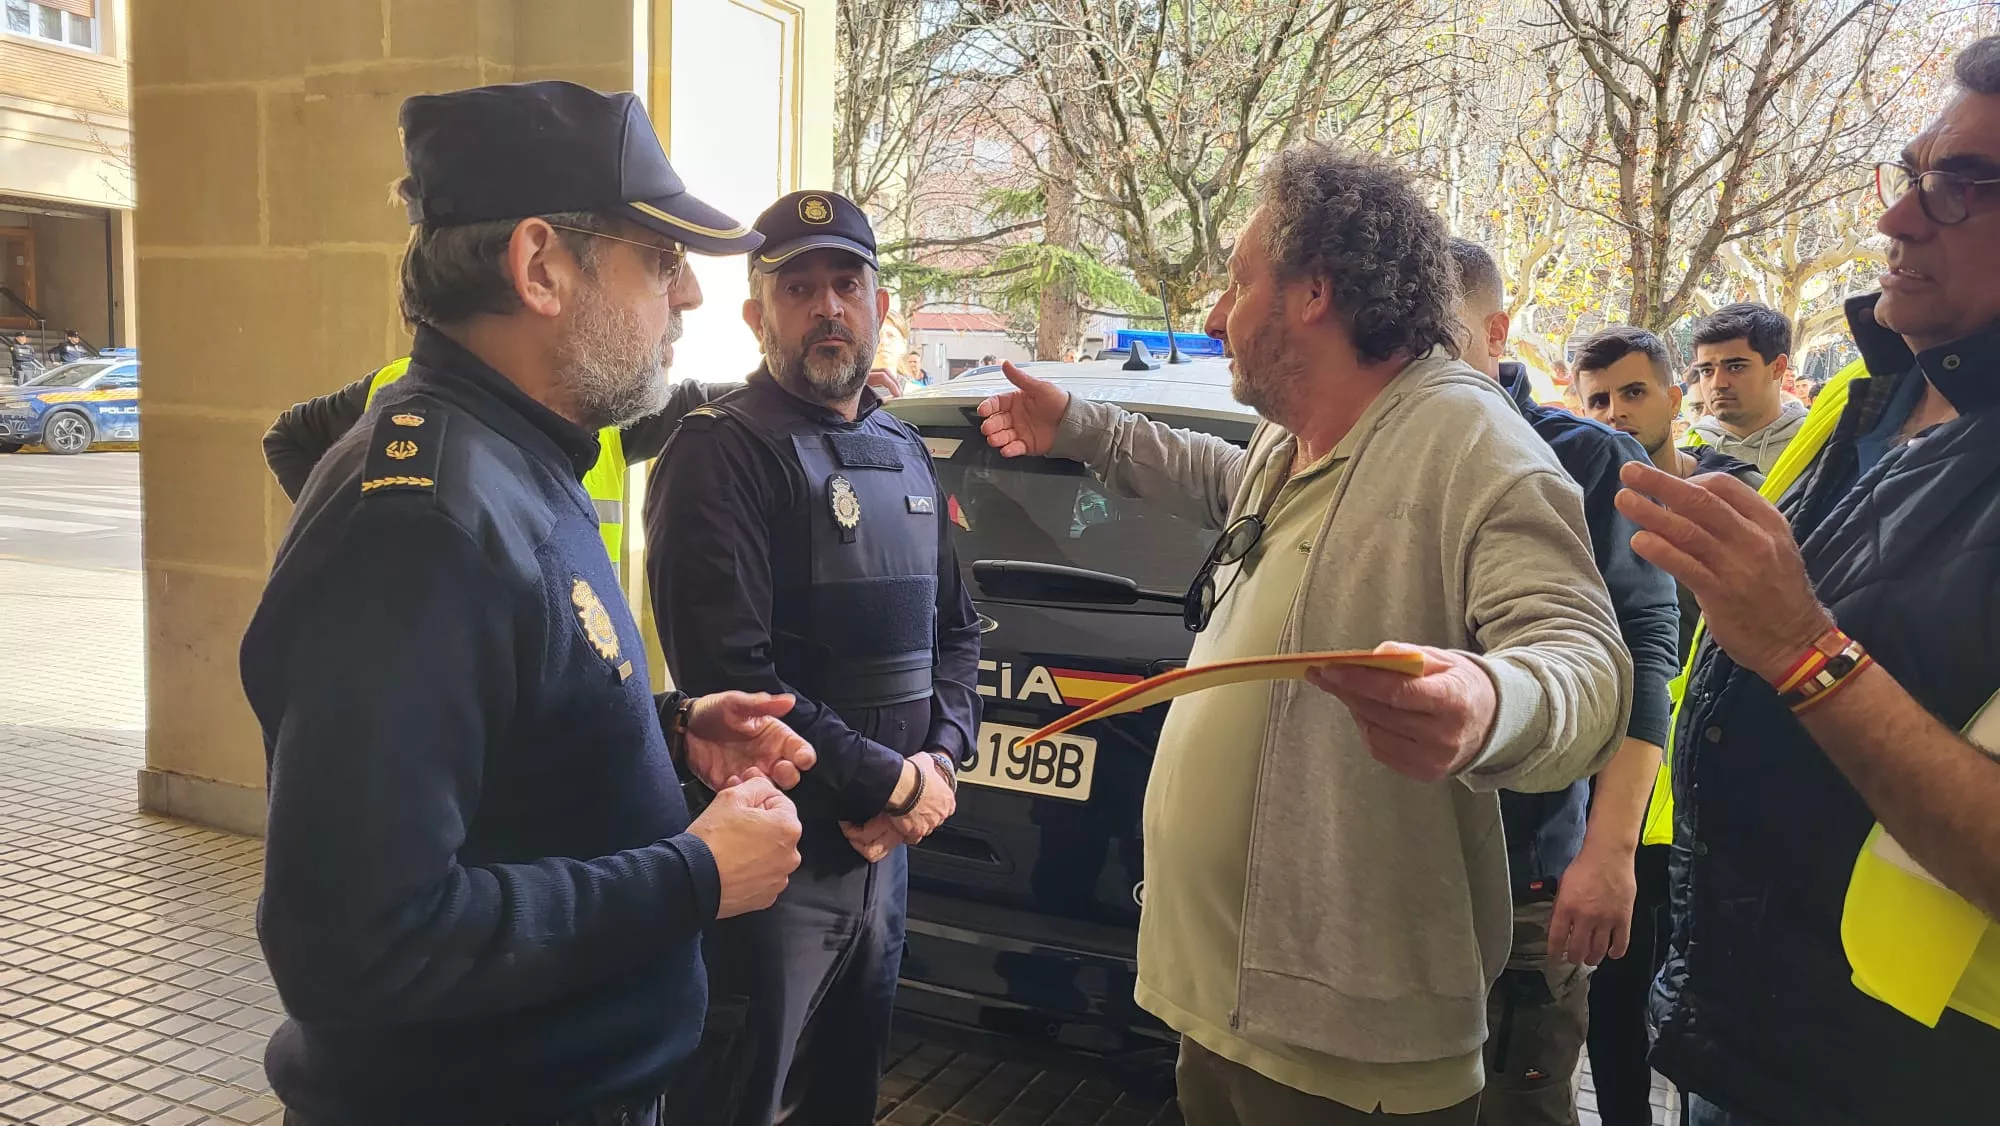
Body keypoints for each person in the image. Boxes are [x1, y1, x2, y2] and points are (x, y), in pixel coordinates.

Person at [976, 142, 1632, 1125]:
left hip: (1349, 1054)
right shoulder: (1300, 438)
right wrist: (1078, 425)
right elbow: (1214, 476)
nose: (1211, 315)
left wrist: (1492, 701)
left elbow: (1584, 659)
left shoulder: (1473, 446)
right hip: (1226, 1007)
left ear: (1312, 292)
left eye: (1237, 281)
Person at [238, 81, 812, 1126]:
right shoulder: (419, 525)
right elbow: (355, 945)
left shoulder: (518, 452)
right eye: (659, 257)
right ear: (540, 265)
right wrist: (695, 875)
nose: (684, 296)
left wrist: (664, 731)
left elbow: (502, 728)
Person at [1622, 37, 2000, 1126]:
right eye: (1911, 170)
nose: (1895, 219)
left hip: (1911, 1082)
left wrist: (1801, 650)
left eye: (1963, 186)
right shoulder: (1859, 402)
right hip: (1736, 1042)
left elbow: (1783, 643)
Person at [645, 190, 981, 1125]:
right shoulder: (719, 454)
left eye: (847, 282)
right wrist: (891, 787)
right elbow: (736, 677)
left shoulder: (905, 449)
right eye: (799, 288)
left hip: (884, 858)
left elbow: (957, 635)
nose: (828, 306)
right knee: (740, 1101)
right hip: (773, 864)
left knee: (846, 1097)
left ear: (880, 304)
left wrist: (937, 766)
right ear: (758, 317)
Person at [1450, 243, 1679, 1126]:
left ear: (1494, 333)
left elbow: (1646, 657)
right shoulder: (1384, 449)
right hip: (1401, 871)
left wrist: (1611, 852)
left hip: (1528, 877)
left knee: (1516, 1105)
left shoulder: (1587, 458)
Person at [1563, 326, 1759, 1126]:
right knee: (1612, 1010)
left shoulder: (1733, 501)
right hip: (1621, 807)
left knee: (1702, 1012)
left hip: (1713, 815)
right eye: (1599, 399)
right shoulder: (1576, 510)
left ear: (1676, 398)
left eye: (1634, 392)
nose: (1616, 413)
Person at [262, 360, 737, 560]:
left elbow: (695, 400)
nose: (685, 297)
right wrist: (352, 541)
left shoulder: (602, 407)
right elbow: (288, 439)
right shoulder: (399, 384)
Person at [1686, 303, 1806, 473]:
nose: (1717, 383)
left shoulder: (1818, 446)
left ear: (1778, 367)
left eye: (1735, 367)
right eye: (1707, 371)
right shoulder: (1683, 453)